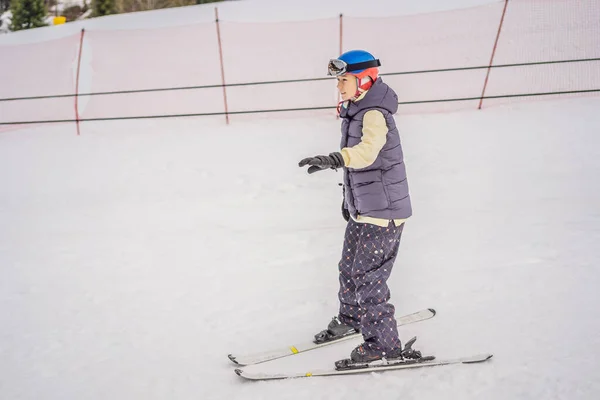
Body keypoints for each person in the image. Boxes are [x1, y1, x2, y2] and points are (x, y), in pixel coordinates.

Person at [298, 50, 412, 364]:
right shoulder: (356, 110)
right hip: (366, 209)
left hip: (384, 212)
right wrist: (349, 202)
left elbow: (366, 154)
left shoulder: (374, 113)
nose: (339, 86)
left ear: (364, 79)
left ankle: (383, 345)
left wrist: (333, 159)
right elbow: (358, 170)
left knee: (368, 280)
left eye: (344, 79)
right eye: (338, 80)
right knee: (349, 269)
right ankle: (350, 320)